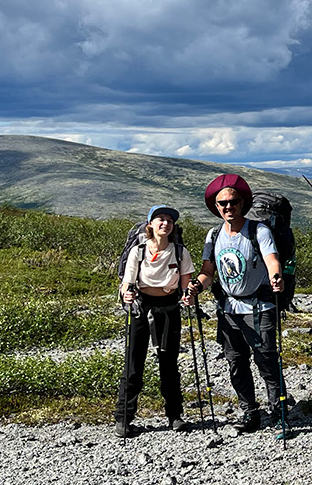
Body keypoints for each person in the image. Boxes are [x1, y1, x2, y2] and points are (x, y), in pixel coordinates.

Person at [184, 174, 287, 435]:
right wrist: (197, 286)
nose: (228, 207)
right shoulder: (213, 234)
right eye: (223, 203)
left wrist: (276, 276)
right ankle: (250, 412)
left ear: (243, 203)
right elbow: (208, 272)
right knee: (236, 362)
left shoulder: (258, 231)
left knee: (266, 361)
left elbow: (272, 259)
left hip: (259, 307)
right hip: (229, 310)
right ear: (216, 207)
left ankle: (279, 414)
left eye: (233, 201)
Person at [115, 205, 194, 438]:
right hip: (141, 308)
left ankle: (175, 416)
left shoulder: (180, 253)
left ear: (173, 227)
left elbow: (186, 285)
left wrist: (188, 295)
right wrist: (126, 294)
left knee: (168, 364)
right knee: (133, 364)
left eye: (169, 220)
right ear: (150, 224)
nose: (165, 223)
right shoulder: (138, 251)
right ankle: (124, 419)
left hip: (169, 309)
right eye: (160, 219)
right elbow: (126, 283)